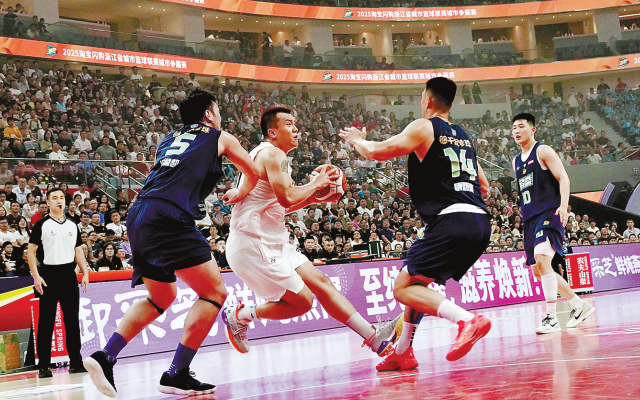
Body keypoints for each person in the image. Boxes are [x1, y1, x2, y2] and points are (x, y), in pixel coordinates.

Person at [83, 89, 260, 397]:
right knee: (214, 293)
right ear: (209, 114)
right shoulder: (220, 136)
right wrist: (240, 193)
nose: (220, 116)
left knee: (160, 297)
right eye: (218, 110)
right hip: (169, 216)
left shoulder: (167, 140)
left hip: (138, 214)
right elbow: (253, 172)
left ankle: (105, 356)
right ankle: (177, 373)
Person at [222, 107, 402, 359]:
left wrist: (313, 198)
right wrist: (316, 184)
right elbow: (286, 198)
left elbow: (279, 205)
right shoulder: (273, 154)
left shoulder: (271, 155)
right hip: (253, 244)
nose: (295, 129)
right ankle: (239, 315)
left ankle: (375, 339)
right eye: (288, 124)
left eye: (295, 123)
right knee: (303, 302)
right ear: (272, 132)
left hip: (269, 241)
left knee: (322, 283)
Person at [340, 77, 492, 371]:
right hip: (479, 221)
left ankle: (467, 320)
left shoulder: (425, 127)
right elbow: (483, 185)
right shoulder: (464, 137)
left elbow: (375, 152)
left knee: (402, 288)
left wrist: (357, 139)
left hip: (452, 219)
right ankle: (403, 351)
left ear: (428, 100)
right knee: (416, 282)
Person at [511, 112, 595, 334]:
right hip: (530, 219)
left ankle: (551, 318)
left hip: (549, 212)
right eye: (514, 128)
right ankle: (579, 305)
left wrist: (564, 206)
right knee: (539, 271)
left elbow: (563, 177)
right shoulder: (516, 161)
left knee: (542, 259)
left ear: (533, 129)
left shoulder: (543, 151)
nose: (517, 131)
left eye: (521, 126)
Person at [28, 187, 90, 378]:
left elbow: (78, 250)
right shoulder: (41, 225)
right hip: (48, 275)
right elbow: (31, 251)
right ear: (47, 202)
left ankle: (76, 362)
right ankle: (44, 366)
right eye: (54, 198)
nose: (58, 201)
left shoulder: (72, 224)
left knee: (72, 320)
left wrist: (85, 272)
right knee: (46, 322)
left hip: (68, 274)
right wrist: (36, 276)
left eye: (61, 197)